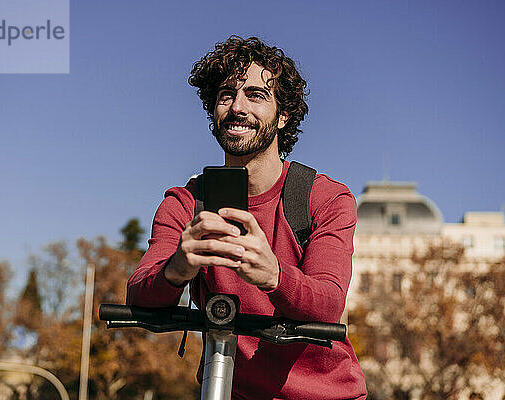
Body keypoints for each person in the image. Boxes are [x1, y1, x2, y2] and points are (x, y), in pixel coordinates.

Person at [127, 36, 367, 399]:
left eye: (255, 95)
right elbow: (139, 294)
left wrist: (274, 276)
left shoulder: (326, 197)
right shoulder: (185, 203)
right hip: (227, 389)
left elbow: (329, 303)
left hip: (325, 394)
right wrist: (177, 268)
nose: (237, 107)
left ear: (283, 115)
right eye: (226, 95)